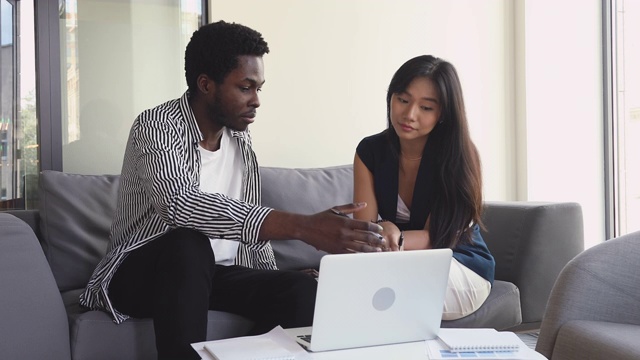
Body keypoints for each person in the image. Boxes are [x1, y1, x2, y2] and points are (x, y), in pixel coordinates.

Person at [80, 20, 385, 360]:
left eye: (259, 88)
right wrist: (305, 226)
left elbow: (247, 227)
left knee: (301, 291)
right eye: (245, 87)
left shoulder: (239, 139)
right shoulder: (157, 125)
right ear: (206, 84)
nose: (256, 100)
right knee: (188, 243)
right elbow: (180, 205)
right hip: (141, 273)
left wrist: (272, 277)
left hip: (212, 275)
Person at [353, 55, 495, 321]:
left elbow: (440, 237)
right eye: (403, 100)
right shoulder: (369, 151)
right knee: (352, 282)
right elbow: (365, 232)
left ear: (443, 113)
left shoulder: (461, 155)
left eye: (426, 107)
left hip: (458, 263)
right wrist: (383, 232)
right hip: (394, 261)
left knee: (384, 291)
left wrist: (394, 236)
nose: (409, 114)